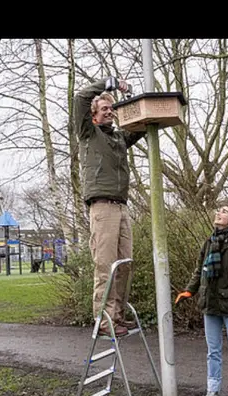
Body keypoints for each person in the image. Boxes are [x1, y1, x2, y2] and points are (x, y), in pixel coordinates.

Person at [74, 76, 146, 337]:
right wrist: (108, 84)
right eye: (105, 109)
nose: (110, 112)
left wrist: (135, 98)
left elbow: (139, 125)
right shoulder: (88, 134)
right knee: (106, 264)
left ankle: (117, 317)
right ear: (94, 116)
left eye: (112, 109)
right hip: (102, 207)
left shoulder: (118, 139)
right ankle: (103, 321)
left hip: (121, 206)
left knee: (124, 264)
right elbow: (80, 98)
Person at [175, 204, 228, 396]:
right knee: (213, 351)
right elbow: (199, 271)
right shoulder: (209, 243)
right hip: (210, 304)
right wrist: (189, 291)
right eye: (218, 211)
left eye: (223, 211)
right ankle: (212, 391)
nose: (218, 213)